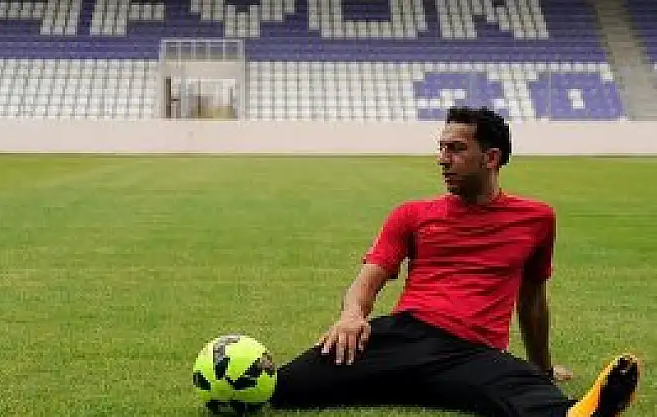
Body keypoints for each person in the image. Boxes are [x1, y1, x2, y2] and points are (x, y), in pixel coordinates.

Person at [269, 107, 640, 417]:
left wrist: (541, 368)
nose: (442, 159)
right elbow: (368, 279)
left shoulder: (537, 219)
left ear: (491, 158)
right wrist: (352, 315)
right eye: (441, 148)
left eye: (456, 149)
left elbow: (532, 301)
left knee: (528, 394)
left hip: (472, 351)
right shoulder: (412, 214)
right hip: (405, 336)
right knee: (286, 386)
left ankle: (586, 411)